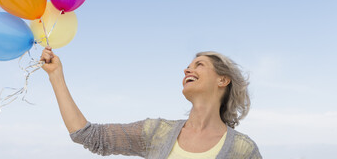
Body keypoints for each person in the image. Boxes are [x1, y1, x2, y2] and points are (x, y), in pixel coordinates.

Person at [41, 46, 262, 159]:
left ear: (222, 80)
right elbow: (87, 135)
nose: (188, 69)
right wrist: (55, 75)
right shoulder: (157, 131)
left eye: (199, 65)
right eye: (189, 65)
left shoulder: (242, 149)